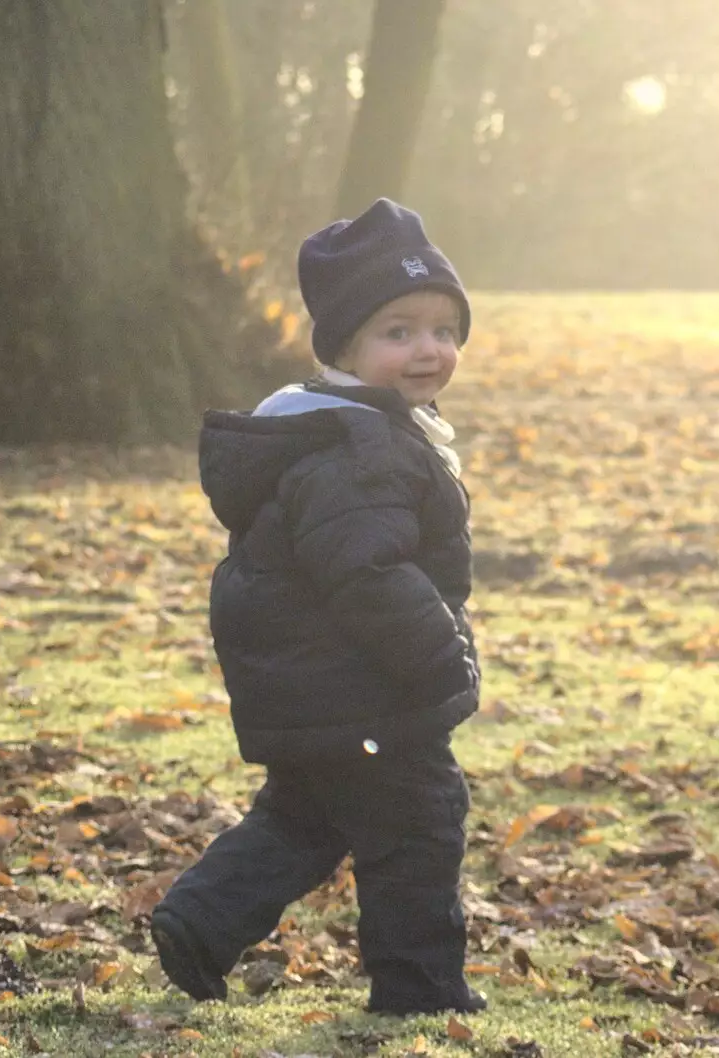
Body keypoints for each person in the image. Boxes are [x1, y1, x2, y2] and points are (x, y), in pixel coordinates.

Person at [151, 199, 484, 1015]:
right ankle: (421, 990)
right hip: (367, 685)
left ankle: (200, 920)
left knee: (304, 818)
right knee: (419, 824)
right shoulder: (354, 450)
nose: (427, 350)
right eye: (398, 332)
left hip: (322, 687)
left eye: (443, 329)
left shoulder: (351, 429)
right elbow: (367, 573)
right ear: (343, 347)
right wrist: (440, 652)